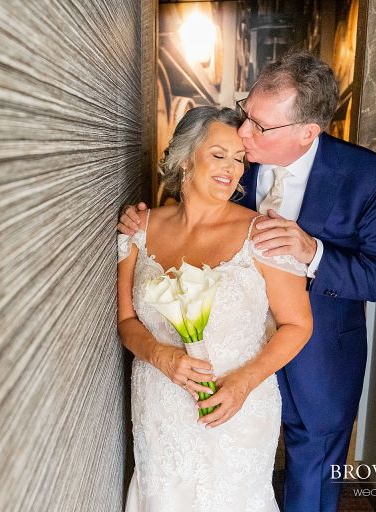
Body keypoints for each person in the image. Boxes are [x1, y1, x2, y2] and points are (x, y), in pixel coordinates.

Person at [119, 52, 376, 512]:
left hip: (319, 356)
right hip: (218, 354)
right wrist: (142, 221)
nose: (244, 132)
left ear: (306, 133)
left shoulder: (366, 176)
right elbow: (192, 205)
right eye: (245, 112)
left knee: (310, 482)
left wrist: (314, 253)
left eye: (260, 126)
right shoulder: (236, 155)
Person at [118, 105, 313, 511]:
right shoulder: (139, 230)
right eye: (219, 155)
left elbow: (297, 325)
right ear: (186, 157)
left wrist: (243, 383)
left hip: (238, 407)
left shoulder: (264, 235)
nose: (233, 169)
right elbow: (127, 321)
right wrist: (160, 355)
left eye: (240, 159)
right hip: (161, 407)